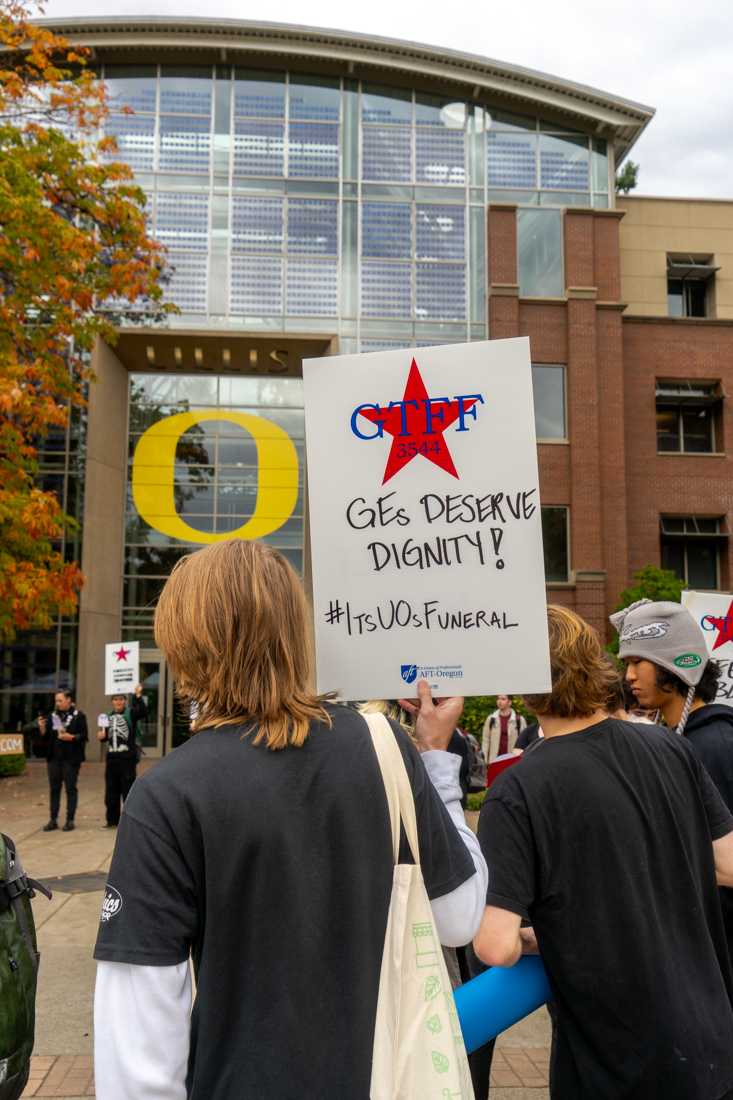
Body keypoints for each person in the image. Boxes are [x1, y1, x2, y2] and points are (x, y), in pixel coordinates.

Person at [93, 539, 487, 1100]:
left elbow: (138, 1047)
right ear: (295, 635)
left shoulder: (167, 793)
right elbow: (459, 917)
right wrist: (437, 765)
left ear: (183, 645)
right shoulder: (385, 748)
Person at [475, 604, 733, 1100]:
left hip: (616, 1068)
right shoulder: (670, 747)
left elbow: (495, 945)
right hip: (711, 1047)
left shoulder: (517, 791)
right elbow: (727, 863)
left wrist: (538, 936)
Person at [613, 598, 733, 961]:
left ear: (675, 662)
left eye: (638, 661)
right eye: (626, 664)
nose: (629, 676)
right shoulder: (683, 741)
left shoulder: (714, 745)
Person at [97, 685, 148, 828]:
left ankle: (130, 822)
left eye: (121, 700)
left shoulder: (130, 714)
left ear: (125, 701)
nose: (118, 702)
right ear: (112, 702)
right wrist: (101, 736)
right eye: (115, 700)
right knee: (111, 792)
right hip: (112, 759)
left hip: (127, 759)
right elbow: (104, 736)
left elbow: (143, 712)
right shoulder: (107, 716)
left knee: (128, 791)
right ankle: (112, 821)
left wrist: (138, 695)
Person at [38, 690, 88, 833]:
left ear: (68, 700)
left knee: (70, 789)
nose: (57, 703)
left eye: (60, 700)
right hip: (54, 759)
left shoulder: (79, 716)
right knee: (54, 789)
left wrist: (71, 737)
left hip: (71, 759)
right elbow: (45, 737)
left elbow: (84, 736)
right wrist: (42, 727)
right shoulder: (53, 716)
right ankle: (53, 819)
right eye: (56, 701)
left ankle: (70, 820)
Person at [481, 694, 526, 763]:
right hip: (494, 761)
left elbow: (524, 742)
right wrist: (485, 760)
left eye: (503, 699)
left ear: (509, 702)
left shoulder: (519, 720)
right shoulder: (491, 719)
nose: (499, 701)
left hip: (512, 761)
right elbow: (486, 740)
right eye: (498, 699)